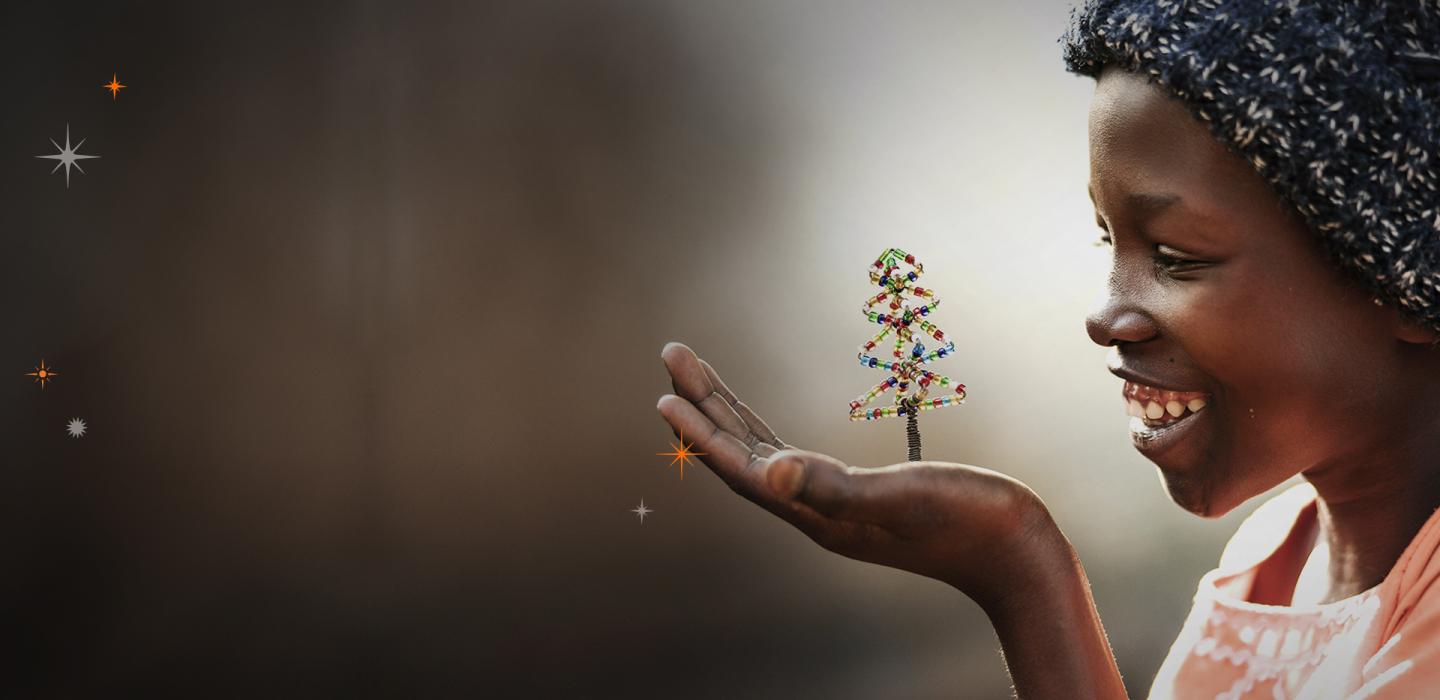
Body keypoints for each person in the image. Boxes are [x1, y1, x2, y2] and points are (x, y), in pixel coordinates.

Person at [656, 1, 1440, 698]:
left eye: (1174, 257)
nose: (1106, 316)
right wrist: (1019, 558)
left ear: (1404, 283)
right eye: (1110, 241)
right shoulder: (1272, 558)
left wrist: (1024, 581)